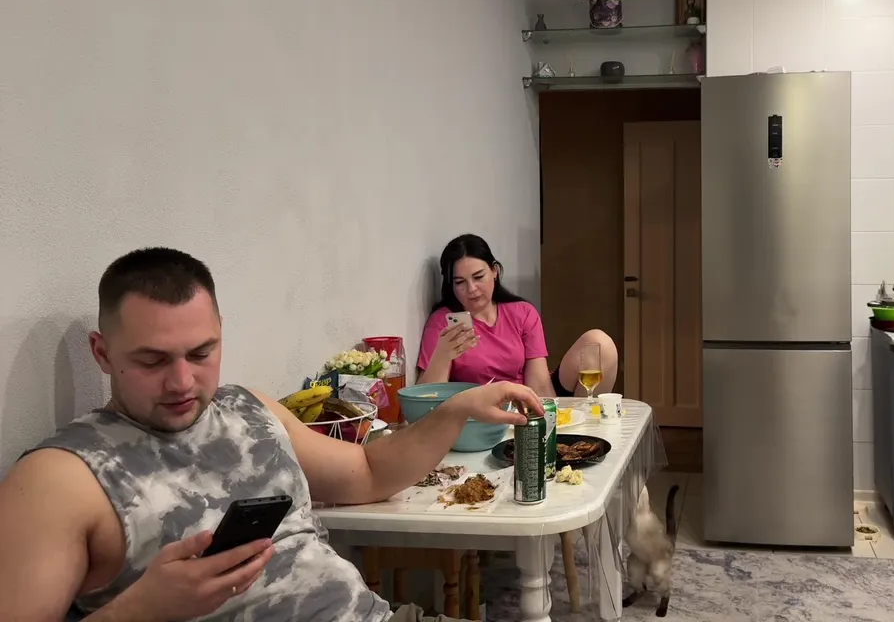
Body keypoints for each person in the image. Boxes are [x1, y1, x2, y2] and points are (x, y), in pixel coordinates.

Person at [0, 247, 544, 622]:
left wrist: (454, 412)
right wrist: (141, 610)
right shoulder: (61, 476)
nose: (182, 381)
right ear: (102, 353)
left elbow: (368, 473)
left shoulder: (247, 407)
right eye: (152, 360)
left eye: (201, 353)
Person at [417, 234, 618, 400]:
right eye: (460, 282)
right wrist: (443, 354)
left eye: (478, 277)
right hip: (479, 410)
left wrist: (549, 420)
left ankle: (587, 426)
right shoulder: (443, 322)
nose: (471, 289)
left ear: (494, 271)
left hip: (528, 399)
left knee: (600, 342)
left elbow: (539, 384)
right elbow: (425, 397)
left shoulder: (522, 312)